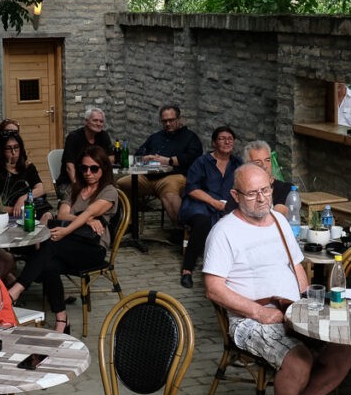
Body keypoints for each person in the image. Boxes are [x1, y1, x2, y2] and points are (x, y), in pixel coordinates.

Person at [204, 164, 351, 395]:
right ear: (235, 195)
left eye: (265, 190)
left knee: (344, 350)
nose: (261, 198)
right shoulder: (224, 232)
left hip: (291, 310)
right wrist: (258, 312)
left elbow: (296, 266)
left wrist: (305, 303)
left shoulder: (278, 220)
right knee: (298, 360)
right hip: (250, 319)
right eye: (252, 193)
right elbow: (213, 289)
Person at [8, 146, 117, 333]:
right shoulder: (76, 188)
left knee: (51, 243)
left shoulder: (109, 191)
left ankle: (16, 290)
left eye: (94, 168)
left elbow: (90, 211)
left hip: (93, 248)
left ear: (104, 168)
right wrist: (86, 220)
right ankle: (62, 319)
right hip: (69, 246)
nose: (88, 173)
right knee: (49, 265)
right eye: (84, 168)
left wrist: (67, 230)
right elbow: (62, 214)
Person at [178, 126, 242, 289]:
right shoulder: (202, 162)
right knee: (203, 222)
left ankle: (231, 273)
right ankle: (187, 270)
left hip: (226, 207)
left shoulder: (238, 164)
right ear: (214, 143)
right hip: (200, 204)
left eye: (230, 139)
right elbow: (192, 189)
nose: (227, 142)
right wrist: (214, 203)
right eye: (222, 138)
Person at [118, 105, 202, 226]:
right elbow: (139, 153)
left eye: (171, 120)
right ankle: (128, 223)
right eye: (164, 121)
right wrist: (145, 158)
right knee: (121, 184)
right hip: (148, 176)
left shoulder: (190, 137)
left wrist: (168, 161)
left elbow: (193, 158)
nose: (168, 124)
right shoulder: (155, 137)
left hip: (172, 176)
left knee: (169, 193)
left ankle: (183, 229)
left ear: (179, 119)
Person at [0, 120, 46, 217]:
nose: (13, 152)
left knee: (47, 214)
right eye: (9, 148)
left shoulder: (27, 166)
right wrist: (17, 210)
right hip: (9, 212)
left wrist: (23, 199)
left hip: (28, 207)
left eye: (16, 147)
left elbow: (40, 188)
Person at [59, 107, 113, 188]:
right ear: (86, 122)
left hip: (95, 180)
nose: (98, 124)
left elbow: (110, 158)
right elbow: (69, 167)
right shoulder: (73, 137)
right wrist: (77, 187)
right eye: (95, 120)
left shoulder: (103, 135)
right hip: (71, 181)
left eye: (101, 121)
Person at [238, 140, 290, 216]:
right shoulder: (241, 191)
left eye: (267, 160)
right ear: (247, 165)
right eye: (258, 162)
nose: (264, 165)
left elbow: (277, 216)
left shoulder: (285, 188)